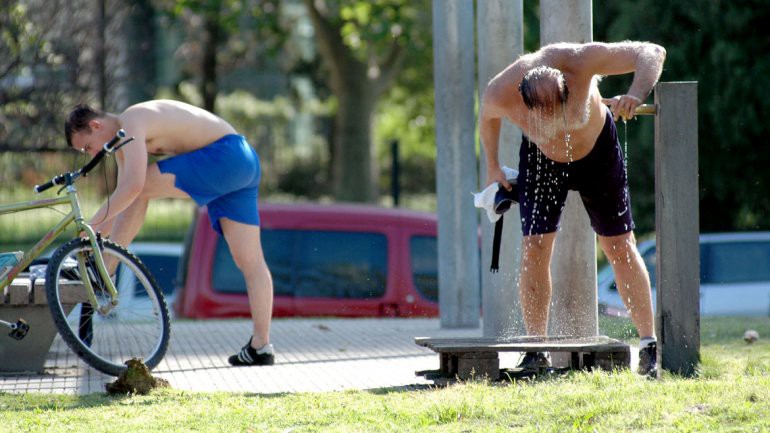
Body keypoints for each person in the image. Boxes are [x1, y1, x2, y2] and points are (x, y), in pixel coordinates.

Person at [478, 41, 666, 377]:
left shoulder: (580, 61)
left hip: (598, 155)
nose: (557, 118)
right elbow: (487, 115)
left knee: (619, 246)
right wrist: (492, 164)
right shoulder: (500, 91)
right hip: (542, 162)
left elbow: (652, 52)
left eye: (561, 105)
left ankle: (649, 345)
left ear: (569, 86)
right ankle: (537, 351)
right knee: (534, 247)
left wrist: (636, 93)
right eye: (545, 113)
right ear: (524, 103)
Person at [64, 100, 275, 366]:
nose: (91, 154)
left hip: (226, 156)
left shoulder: (132, 119)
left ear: (95, 125)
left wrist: (90, 227)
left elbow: (133, 187)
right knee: (251, 261)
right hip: (243, 162)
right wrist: (93, 235)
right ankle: (261, 346)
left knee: (138, 189)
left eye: (87, 146)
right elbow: (121, 201)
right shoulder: (121, 143)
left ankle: (105, 271)